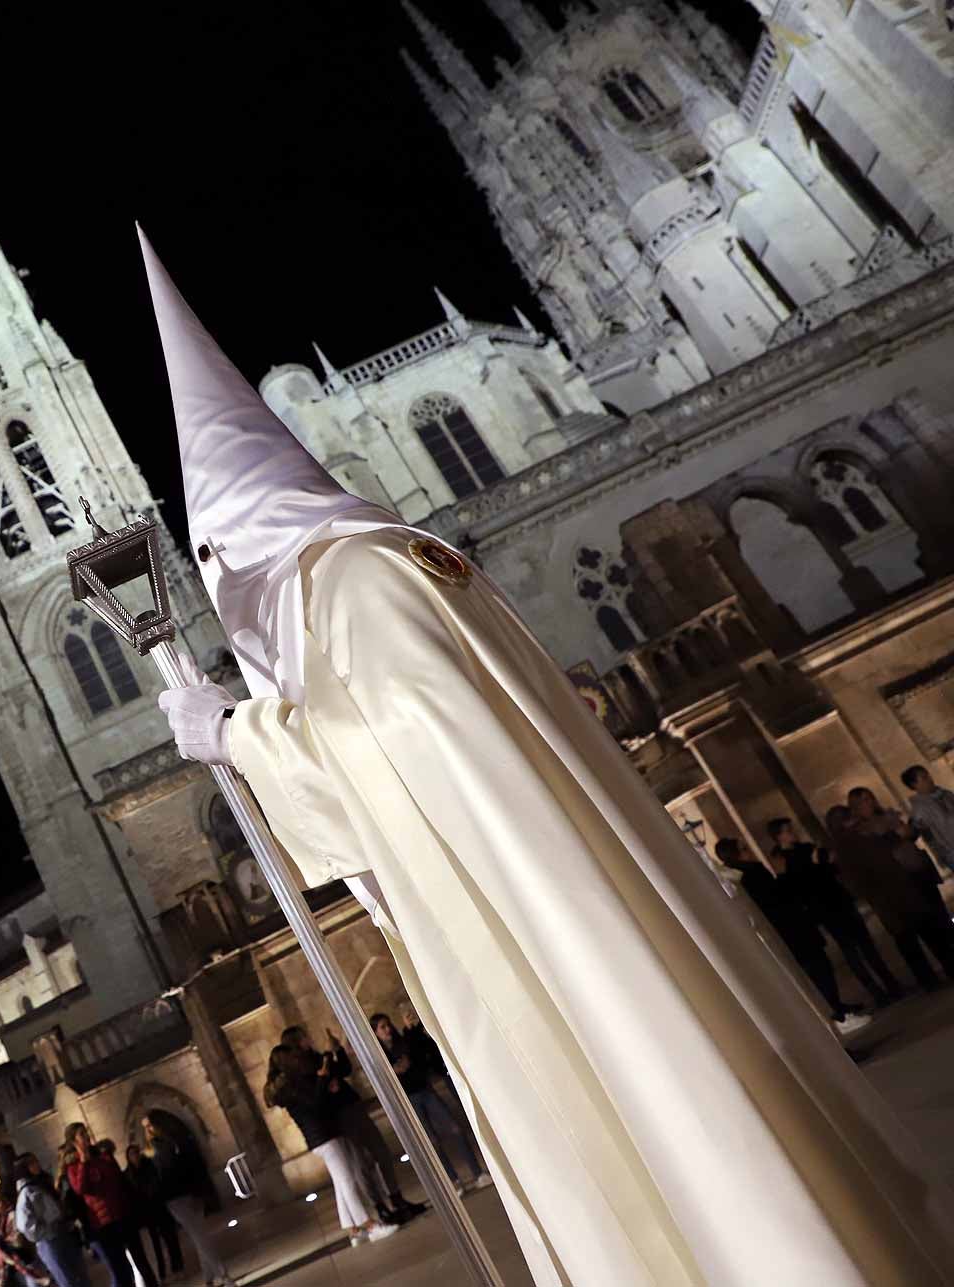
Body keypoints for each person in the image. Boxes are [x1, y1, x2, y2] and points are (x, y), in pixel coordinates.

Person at [139, 230, 954, 1284]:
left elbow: (411, 736)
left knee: (661, 1144)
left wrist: (240, 736)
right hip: (528, 903)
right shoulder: (386, 566)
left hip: (536, 932)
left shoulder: (353, 582)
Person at [713, 837, 869, 1034]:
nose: (748, 851)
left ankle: (836, 1008)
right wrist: (781, 874)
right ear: (735, 854)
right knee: (819, 970)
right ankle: (836, 1013)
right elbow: (779, 895)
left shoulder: (737, 876)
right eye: (743, 848)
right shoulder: (750, 873)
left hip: (787, 933)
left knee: (817, 971)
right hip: (793, 929)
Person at [280, 1025, 422, 1224]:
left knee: (381, 1153)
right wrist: (326, 1083)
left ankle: (396, 1198)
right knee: (362, 1164)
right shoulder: (301, 1069)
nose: (308, 1040)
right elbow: (316, 1097)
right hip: (340, 1117)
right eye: (304, 1038)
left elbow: (342, 1070)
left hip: (352, 1106)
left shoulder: (317, 1057)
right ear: (296, 1043)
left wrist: (337, 1050)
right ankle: (380, 1207)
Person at [263, 1044, 397, 1247]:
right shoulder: (290, 1086)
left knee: (342, 1182)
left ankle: (354, 1230)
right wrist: (323, 1078)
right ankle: (370, 1226)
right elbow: (315, 1103)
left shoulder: (291, 1084)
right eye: (292, 1056)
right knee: (347, 1181)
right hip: (323, 1137)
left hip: (326, 1134)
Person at [767, 818, 903, 1007]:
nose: (792, 833)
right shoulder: (782, 859)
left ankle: (891, 985)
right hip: (824, 909)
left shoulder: (805, 848)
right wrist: (816, 864)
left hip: (839, 900)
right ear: (778, 836)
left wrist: (823, 862)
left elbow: (831, 868)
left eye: (791, 829)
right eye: (787, 831)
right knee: (851, 951)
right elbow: (799, 885)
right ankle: (877, 991)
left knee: (866, 945)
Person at [842, 790, 954, 985]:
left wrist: (904, 831)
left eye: (870, 799)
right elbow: (870, 859)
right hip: (894, 886)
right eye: (862, 802)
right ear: (855, 808)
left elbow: (908, 833)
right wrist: (893, 835)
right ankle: (928, 978)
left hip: (915, 876)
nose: (868, 804)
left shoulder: (886, 816)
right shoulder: (857, 832)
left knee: (935, 925)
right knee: (911, 934)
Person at [371, 1012, 488, 1193]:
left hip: (424, 1090)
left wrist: (411, 1035)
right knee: (431, 1141)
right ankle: (454, 1181)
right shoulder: (379, 1054)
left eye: (388, 1025)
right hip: (409, 1099)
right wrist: (394, 1071)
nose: (387, 1030)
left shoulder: (403, 1041)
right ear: (376, 1032)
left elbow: (419, 1053)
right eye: (382, 1027)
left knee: (455, 1129)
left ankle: (478, 1173)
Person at [139, 1116, 231, 1287]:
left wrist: (200, 1191)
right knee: (200, 1235)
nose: (149, 1130)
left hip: (189, 1194)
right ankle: (223, 1274)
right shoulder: (148, 1154)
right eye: (146, 1127)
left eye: (151, 1125)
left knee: (200, 1234)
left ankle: (209, 1277)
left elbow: (191, 1166)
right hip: (173, 1198)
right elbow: (151, 1180)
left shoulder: (174, 1143)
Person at [64, 1122, 159, 1287]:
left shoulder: (102, 1155)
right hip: (104, 1224)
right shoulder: (73, 1167)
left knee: (141, 1260)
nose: (86, 1136)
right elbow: (81, 1189)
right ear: (73, 1141)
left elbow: (118, 1180)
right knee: (121, 1269)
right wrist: (84, 1163)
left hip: (122, 1215)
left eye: (85, 1132)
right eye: (81, 1134)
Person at [14, 1155, 91, 1287]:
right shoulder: (26, 1192)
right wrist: (47, 1230)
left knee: (81, 1275)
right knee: (68, 1280)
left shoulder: (42, 1183)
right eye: (32, 1163)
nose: (37, 1165)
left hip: (64, 1234)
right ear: (24, 1169)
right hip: (50, 1241)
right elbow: (25, 1225)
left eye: (36, 1161)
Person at [123, 1144, 183, 1284]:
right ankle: (161, 1273)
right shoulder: (128, 1174)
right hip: (146, 1213)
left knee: (170, 1238)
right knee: (155, 1245)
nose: (135, 1157)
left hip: (159, 1207)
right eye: (132, 1154)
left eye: (136, 1153)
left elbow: (157, 1182)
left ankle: (177, 1266)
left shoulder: (149, 1166)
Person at [902, 765, 954, 876]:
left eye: (928, 775)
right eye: (924, 777)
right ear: (914, 785)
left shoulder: (946, 794)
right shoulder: (919, 810)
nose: (930, 779)